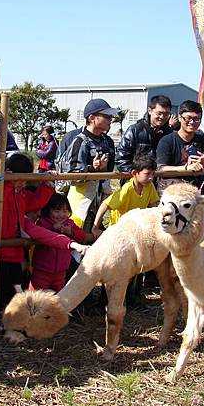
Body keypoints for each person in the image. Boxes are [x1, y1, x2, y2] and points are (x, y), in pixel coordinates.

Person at [0, 154, 88, 320]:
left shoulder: (19, 196)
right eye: (20, 179)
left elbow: (35, 205)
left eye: (25, 180)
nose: (23, 184)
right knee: (2, 290)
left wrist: (47, 186)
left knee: (14, 288)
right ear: (8, 173)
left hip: (13, 252)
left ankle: (9, 317)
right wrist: (6, 184)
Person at [92, 154, 160, 306]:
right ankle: (105, 301)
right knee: (114, 268)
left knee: (137, 267)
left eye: (153, 174)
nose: (151, 177)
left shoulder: (149, 187)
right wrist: (96, 226)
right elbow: (106, 204)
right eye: (147, 174)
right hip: (120, 234)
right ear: (135, 173)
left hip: (137, 234)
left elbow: (154, 204)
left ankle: (132, 298)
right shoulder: (127, 189)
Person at [66, 99, 117, 229]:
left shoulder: (108, 142)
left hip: (100, 199)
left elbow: (108, 171)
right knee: (79, 233)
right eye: (106, 116)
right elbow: (72, 175)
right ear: (92, 118)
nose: (110, 119)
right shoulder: (80, 142)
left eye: (111, 116)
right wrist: (92, 168)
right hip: (81, 200)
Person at [29, 193, 91, 292]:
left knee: (57, 296)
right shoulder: (42, 222)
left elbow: (82, 236)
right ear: (48, 211)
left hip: (61, 271)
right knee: (36, 296)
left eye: (65, 211)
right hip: (42, 270)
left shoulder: (69, 224)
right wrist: (52, 229)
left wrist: (71, 232)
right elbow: (40, 234)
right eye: (56, 211)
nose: (61, 215)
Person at [156, 100, 204, 190]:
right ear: (180, 118)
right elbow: (161, 168)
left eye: (197, 119)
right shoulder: (167, 141)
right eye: (188, 118)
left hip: (195, 191)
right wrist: (186, 168)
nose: (192, 122)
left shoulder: (203, 140)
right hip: (171, 191)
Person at [115, 95, 173, 172]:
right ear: (149, 110)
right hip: (136, 180)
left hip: (161, 180)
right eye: (159, 113)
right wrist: (136, 174)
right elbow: (121, 158)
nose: (162, 117)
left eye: (166, 114)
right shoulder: (135, 130)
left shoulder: (169, 134)